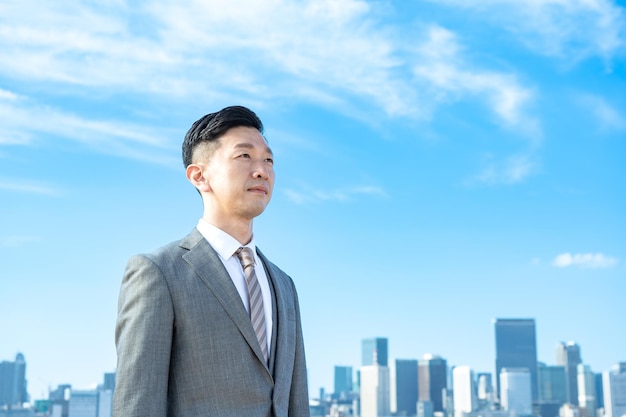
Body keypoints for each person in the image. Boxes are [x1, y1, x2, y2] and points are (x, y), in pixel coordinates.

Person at [113, 106, 310, 417]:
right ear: (199, 176)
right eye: (244, 156)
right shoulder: (159, 272)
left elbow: (296, 402)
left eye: (269, 160)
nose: (262, 170)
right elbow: (138, 404)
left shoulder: (284, 285)